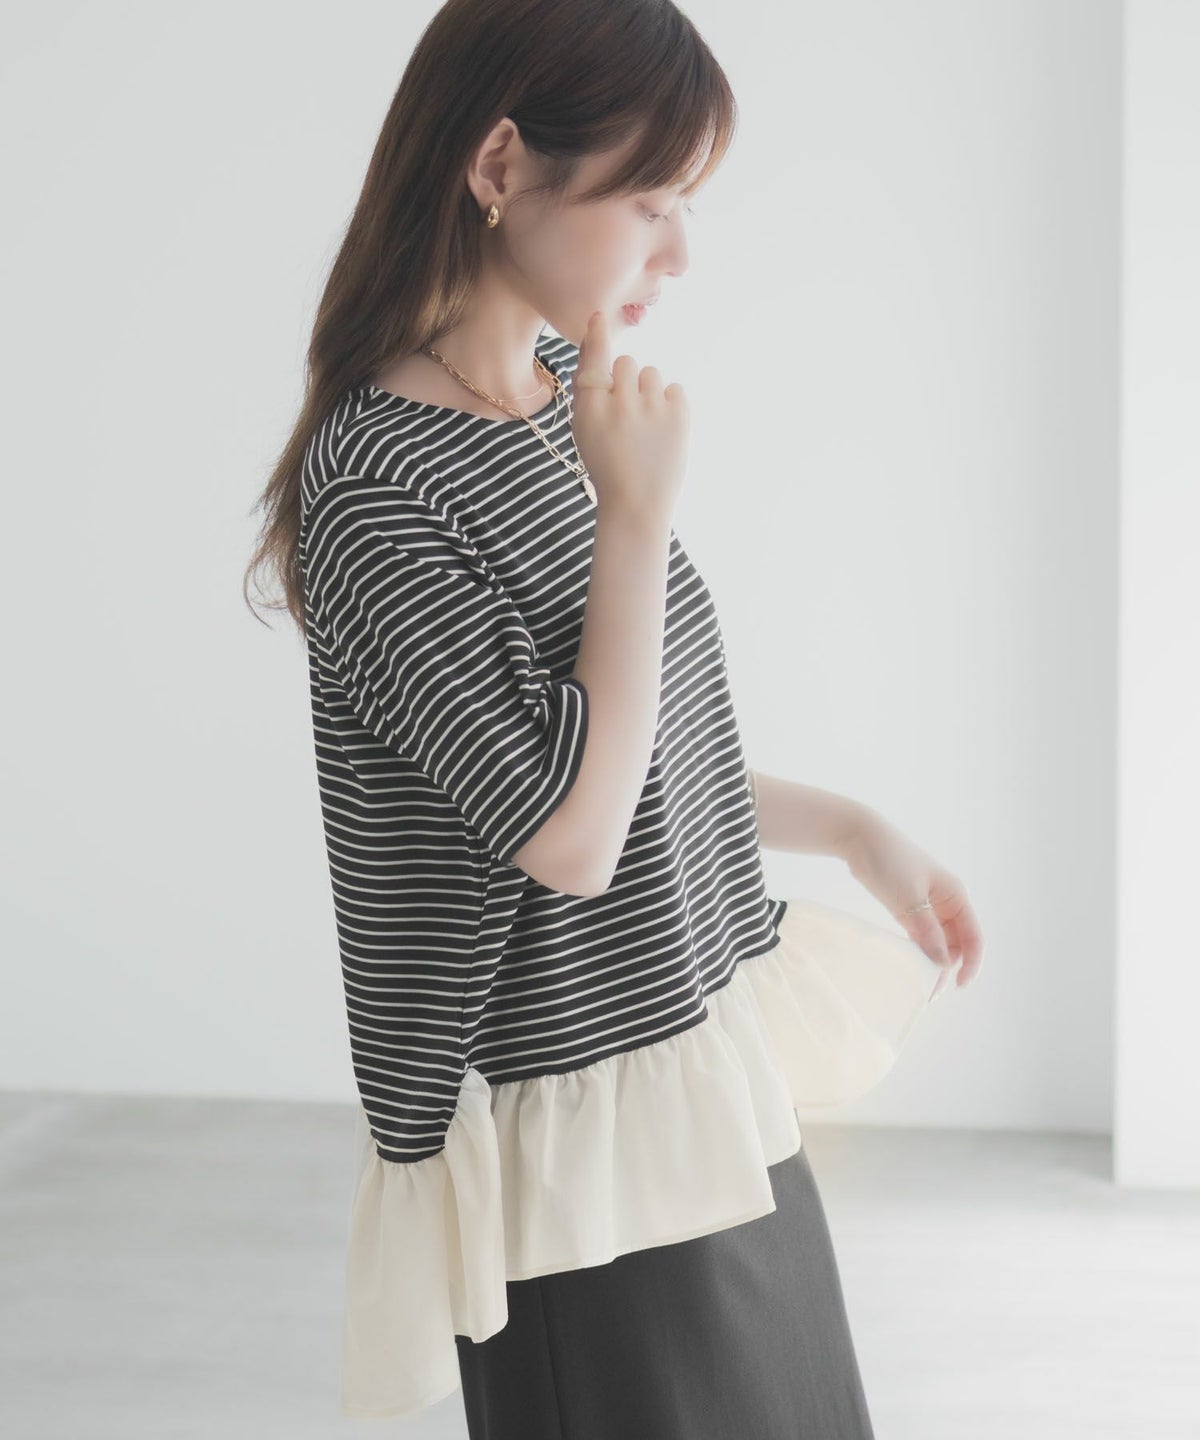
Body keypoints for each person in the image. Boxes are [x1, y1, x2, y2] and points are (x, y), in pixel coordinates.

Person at [243, 0, 984, 1434]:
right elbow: (572, 839)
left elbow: (633, 749)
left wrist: (851, 830)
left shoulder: (554, 401)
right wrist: (634, 519)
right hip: (581, 1167)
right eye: (652, 201)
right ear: (499, 165)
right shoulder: (377, 488)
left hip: (698, 1077)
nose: (680, 252)